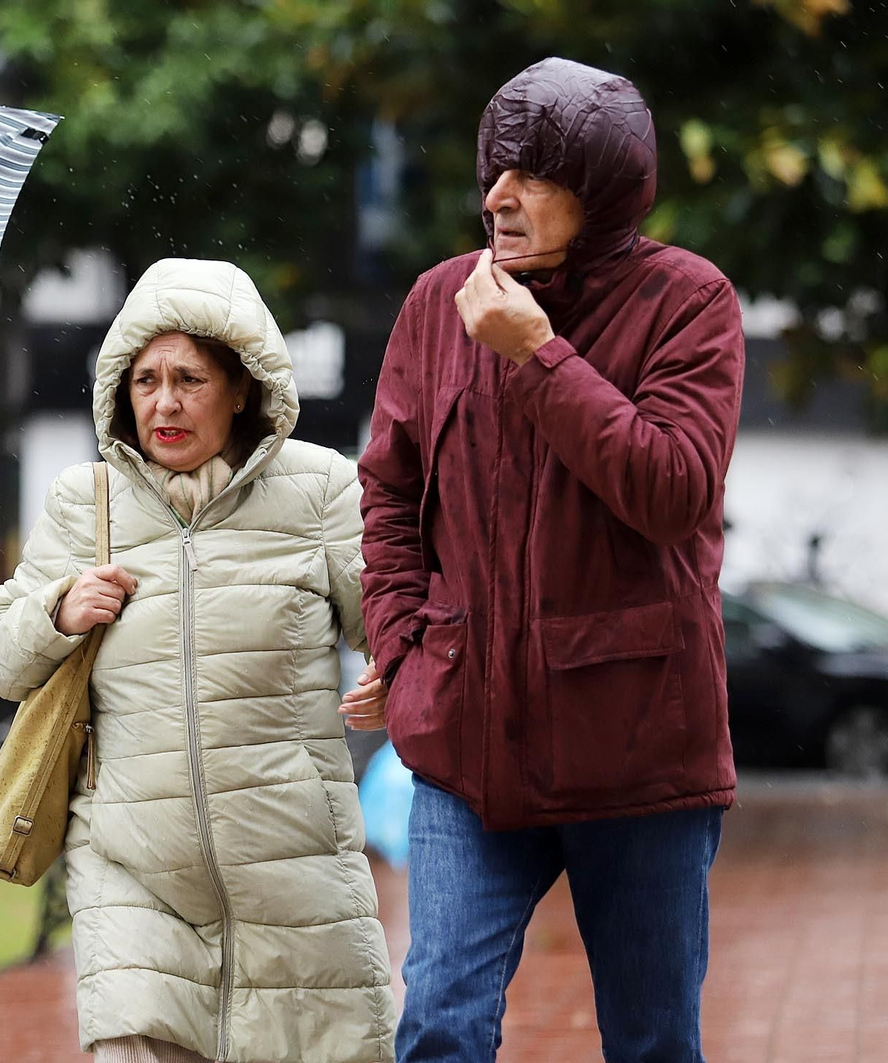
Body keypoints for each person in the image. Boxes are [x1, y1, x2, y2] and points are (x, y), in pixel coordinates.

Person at [358, 58, 746, 1062]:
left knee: (652, 1041)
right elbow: (391, 491)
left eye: (530, 176)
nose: (496, 197)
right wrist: (404, 652)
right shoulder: (438, 301)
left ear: (603, 189)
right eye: (495, 171)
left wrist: (535, 353)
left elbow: (672, 490)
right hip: (468, 744)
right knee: (438, 1020)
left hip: (641, 749)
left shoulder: (689, 302)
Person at [0, 258, 396, 1063]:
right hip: (132, 870)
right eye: (144, 380)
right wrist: (58, 612)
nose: (163, 402)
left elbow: (391, 621)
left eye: (189, 379)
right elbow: (0, 653)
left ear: (242, 387)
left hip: (297, 872)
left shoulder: (320, 488)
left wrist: (395, 677)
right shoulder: (86, 500)